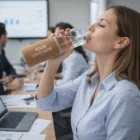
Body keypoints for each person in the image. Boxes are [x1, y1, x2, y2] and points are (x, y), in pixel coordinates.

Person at [36, 5, 140, 140]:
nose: (90, 26)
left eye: (102, 25)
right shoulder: (90, 78)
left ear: (121, 42)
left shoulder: (125, 94)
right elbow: (47, 103)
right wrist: (52, 64)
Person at [0, 22, 23, 94]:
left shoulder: (1, 51)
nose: (7, 39)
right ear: (2, 37)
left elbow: (10, 68)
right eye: (6, 36)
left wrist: (10, 78)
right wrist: (6, 85)